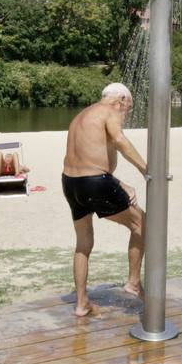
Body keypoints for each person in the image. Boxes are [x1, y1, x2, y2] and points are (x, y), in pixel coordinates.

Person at [62, 82, 147, 317]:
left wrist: (119, 183)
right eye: (127, 108)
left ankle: (81, 303)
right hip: (94, 182)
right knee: (142, 223)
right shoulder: (110, 111)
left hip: (71, 183)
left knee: (83, 244)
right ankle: (133, 283)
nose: (125, 113)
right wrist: (146, 170)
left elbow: (88, 159)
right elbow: (119, 141)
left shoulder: (83, 115)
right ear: (120, 100)